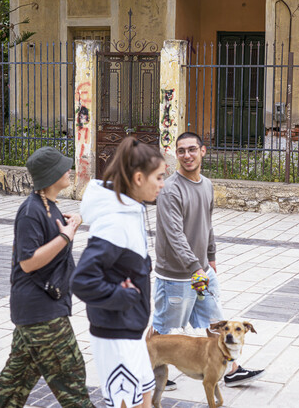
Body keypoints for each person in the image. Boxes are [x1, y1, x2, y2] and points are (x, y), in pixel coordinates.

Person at [152, 131, 265, 389]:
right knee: (163, 325)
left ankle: (231, 369)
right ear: (176, 155)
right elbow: (174, 234)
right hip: (176, 274)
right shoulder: (170, 190)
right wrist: (195, 267)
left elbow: (207, 223)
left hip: (201, 270)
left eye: (192, 149)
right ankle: (148, 367)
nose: (187, 155)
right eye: (181, 151)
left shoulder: (206, 184)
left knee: (216, 323)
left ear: (203, 151)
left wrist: (210, 257)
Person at [0, 146, 93, 408]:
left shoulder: (49, 207)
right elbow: (28, 262)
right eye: (62, 168)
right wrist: (66, 236)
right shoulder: (31, 212)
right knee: (72, 380)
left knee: (13, 385)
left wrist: (73, 224)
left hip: (37, 310)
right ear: (50, 176)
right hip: (42, 312)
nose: (68, 170)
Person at [71, 137, 166, 408]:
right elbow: (82, 280)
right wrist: (124, 298)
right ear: (138, 178)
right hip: (116, 333)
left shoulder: (130, 210)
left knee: (145, 400)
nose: (162, 184)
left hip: (131, 330)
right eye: (158, 178)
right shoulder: (115, 221)